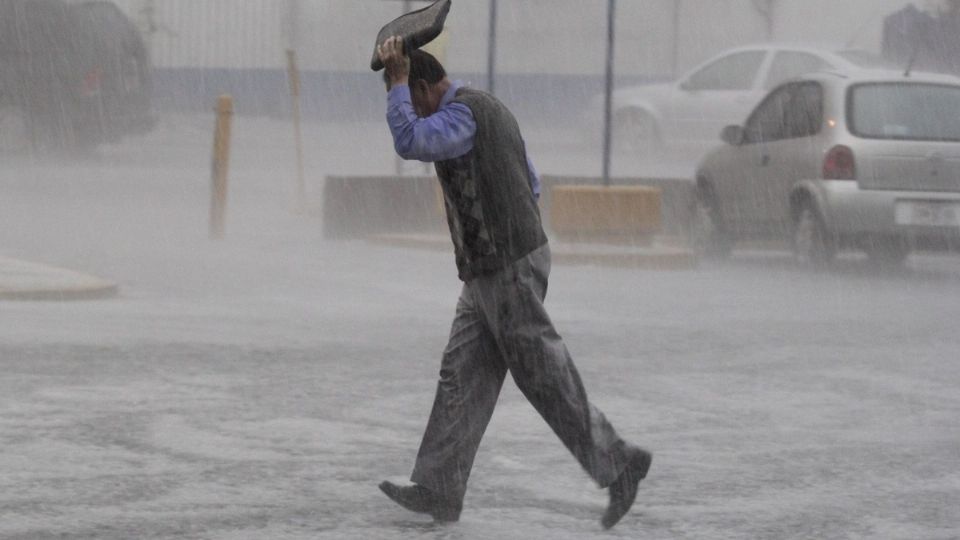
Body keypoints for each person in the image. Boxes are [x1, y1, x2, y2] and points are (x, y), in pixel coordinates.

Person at [375, 36, 651, 530]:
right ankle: (440, 486)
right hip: (492, 267)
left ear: (421, 86)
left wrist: (393, 81)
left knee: (544, 375)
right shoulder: (489, 110)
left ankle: (619, 464)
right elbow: (532, 181)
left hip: (505, 265)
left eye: (409, 97)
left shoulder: (463, 115)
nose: (410, 110)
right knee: (461, 374)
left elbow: (411, 141)